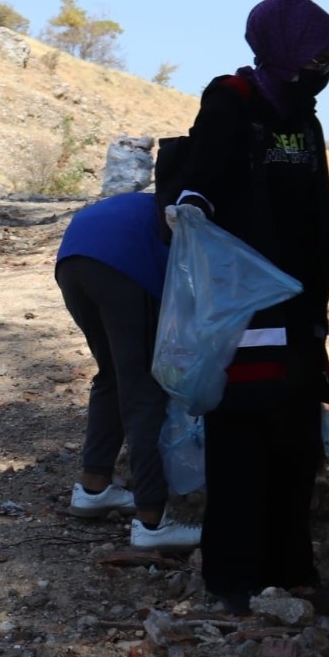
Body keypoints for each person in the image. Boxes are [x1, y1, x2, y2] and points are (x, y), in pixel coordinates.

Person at [166, 0, 329, 614]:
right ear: (285, 48)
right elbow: (202, 179)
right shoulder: (232, 100)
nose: (323, 70)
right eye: (318, 57)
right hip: (244, 303)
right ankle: (231, 579)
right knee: (242, 433)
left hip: (298, 304)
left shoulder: (303, 120)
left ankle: (292, 568)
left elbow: (314, 204)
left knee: (295, 437)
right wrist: (190, 209)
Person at [56, 192, 200, 550]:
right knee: (144, 390)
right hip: (121, 264)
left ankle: (94, 488)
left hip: (73, 259)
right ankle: (152, 523)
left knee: (112, 375)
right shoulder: (205, 222)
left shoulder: (166, 203)